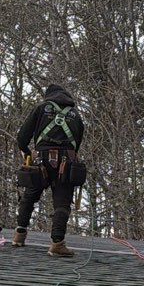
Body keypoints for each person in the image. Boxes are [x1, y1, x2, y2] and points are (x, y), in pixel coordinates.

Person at [12, 82, 86, 258]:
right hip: (66, 161)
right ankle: (57, 244)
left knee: (30, 195)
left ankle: (19, 236)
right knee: (62, 202)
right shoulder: (75, 114)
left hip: (41, 159)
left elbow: (22, 137)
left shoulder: (42, 108)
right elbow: (78, 142)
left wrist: (28, 153)